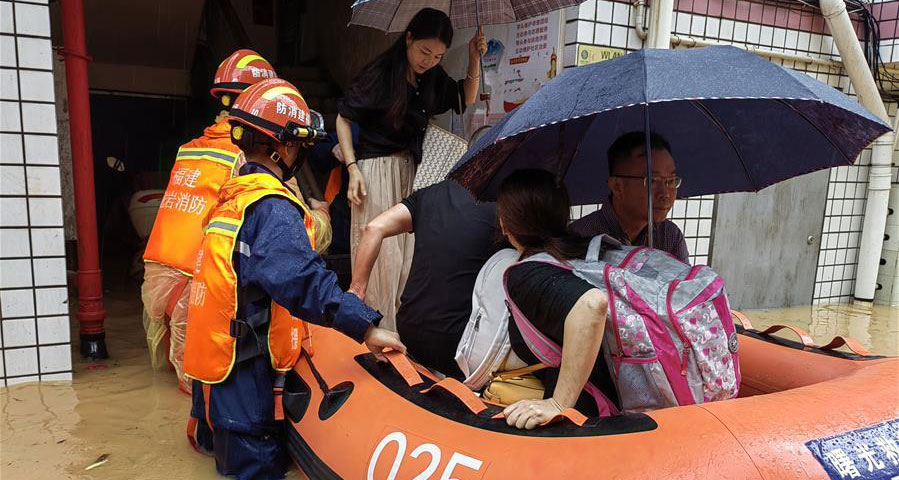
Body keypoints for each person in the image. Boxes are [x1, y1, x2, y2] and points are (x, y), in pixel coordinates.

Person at [183, 78, 405, 480]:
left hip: (212, 377)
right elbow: (302, 279)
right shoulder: (271, 207)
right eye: (300, 146)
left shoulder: (231, 198)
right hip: (245, 386)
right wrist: (366, 326)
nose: (301, 154)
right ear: (282, 146)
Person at [140, 49, 327, 393]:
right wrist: (322, 215)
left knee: (184, 388)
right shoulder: (249, 157)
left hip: (157, 279)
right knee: (210, 384)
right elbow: (296, 235)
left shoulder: (190, 149)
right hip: (198, 288)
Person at [336, 8, 487, 330]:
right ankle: (374, 334)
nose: (429, 60)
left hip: (413, 173)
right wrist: (353, 169)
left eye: (437, 55)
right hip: (374, 171)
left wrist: (474, 56)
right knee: (382, 261)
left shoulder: (432, 77)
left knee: (407, 258)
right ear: (408, 39)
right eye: (424, 51)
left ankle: (400, 337)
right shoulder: (381, 72)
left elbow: (465, 97)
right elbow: (343, 117)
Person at [497, 169, 620, 430]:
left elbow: (591, 304)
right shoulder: (586, 251)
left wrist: (558, 403)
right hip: (628, 404)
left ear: (505, 224)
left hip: (587, 420)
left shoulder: (528, 273)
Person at [349, 180, 499, 378]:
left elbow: (373, 228)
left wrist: (355, 293)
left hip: (409, 328)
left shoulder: (432, 193)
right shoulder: (503, 205)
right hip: (459, 341)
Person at [569, 131, 689, 263]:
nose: (665, 194)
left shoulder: (669, 236)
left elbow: (686, 283)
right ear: (617, 186)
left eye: (671, 181)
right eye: (652, 181)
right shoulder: (581, 237)